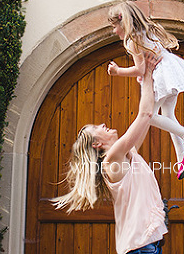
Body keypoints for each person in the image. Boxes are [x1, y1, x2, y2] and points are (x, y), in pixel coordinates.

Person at [53, 60, 168, 254]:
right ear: (96, 144)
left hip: (146, 245)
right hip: (140, 247)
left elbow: (149, 115)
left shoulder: (128, 154)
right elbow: (145, 114)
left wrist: (148, 78)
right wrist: (147, 72)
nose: (102, 125)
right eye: (96, 128)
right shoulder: (112, 159)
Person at [106, 1, 184, 179]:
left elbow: (140, 69)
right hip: (171, 69)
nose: (114, 31)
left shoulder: (132, 41)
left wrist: (117, 71)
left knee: (148, 115)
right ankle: (182, 157)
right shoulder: (148, 31)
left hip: (161, 75)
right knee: (168, 115)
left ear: (122, 22)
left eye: (114, 26)